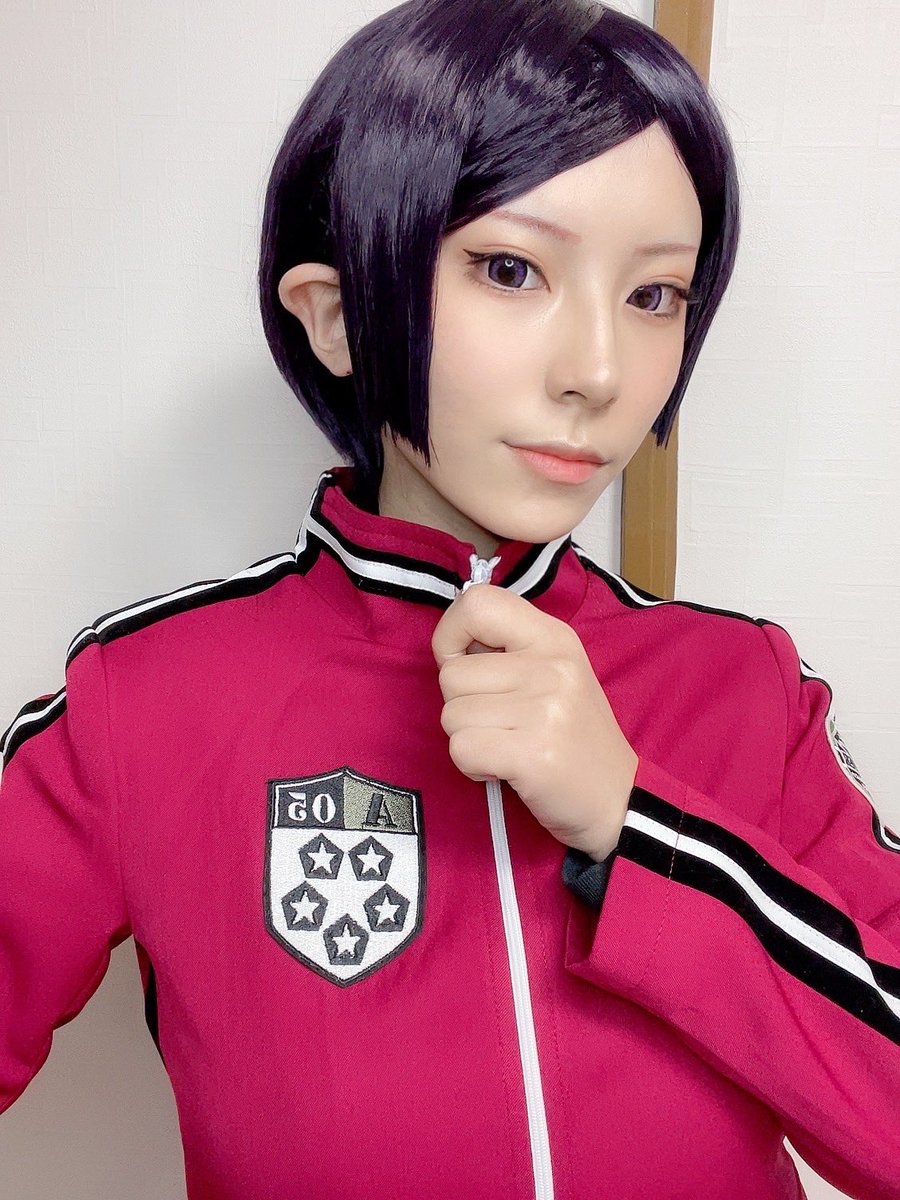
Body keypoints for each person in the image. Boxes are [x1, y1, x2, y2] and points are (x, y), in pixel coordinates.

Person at [1, 1, 898, 1197]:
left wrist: (636, 824)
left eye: (655, 296)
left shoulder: (748, 691)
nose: (598, 372)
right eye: (511, 269)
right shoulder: (145, 699)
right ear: (334, 316)